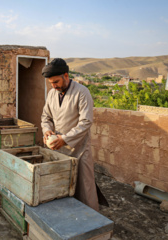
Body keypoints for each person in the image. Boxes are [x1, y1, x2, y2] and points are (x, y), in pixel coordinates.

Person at [41, 58, 99, 211]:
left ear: (66, 75)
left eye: (56, 82)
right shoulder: (52, 94)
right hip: (58, 149)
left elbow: (86, 122)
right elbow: (45, 117)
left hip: (78, 150)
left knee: (84, 188)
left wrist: (65, 139)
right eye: (51, 83)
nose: (54, 86)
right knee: (61, 186)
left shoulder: (82, 92)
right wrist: (47, 131)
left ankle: (91, 221)